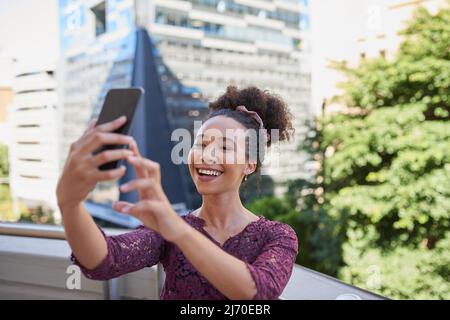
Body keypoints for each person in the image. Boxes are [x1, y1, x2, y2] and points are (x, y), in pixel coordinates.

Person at [56, 86, 298, 300]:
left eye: (225, 146)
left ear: (249, 164)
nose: (206, 155)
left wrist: (178, 231)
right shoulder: (169, 229)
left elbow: (260, 292)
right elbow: (105, 260)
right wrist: (70, 203)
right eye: (202, 143)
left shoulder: (277, 236)